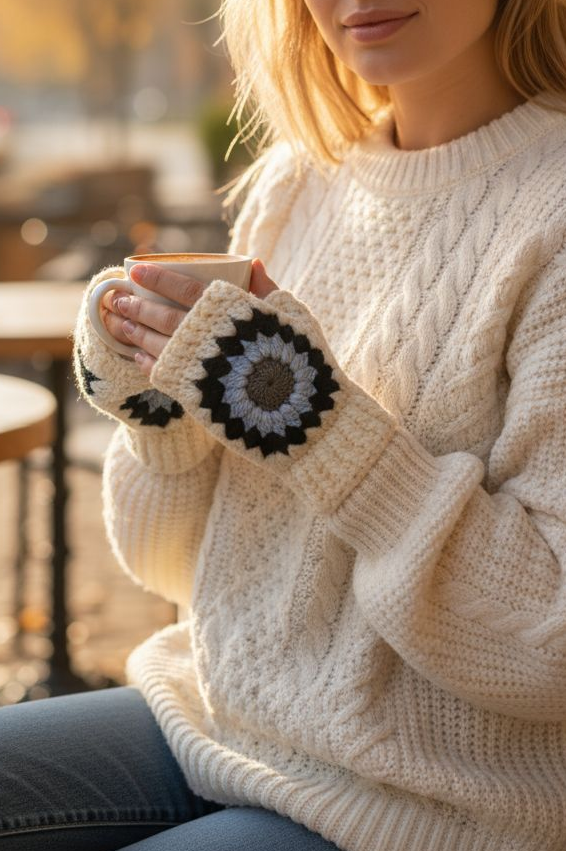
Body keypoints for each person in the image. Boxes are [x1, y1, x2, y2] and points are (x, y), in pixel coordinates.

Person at [2, 0, 566, 849]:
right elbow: (168, 563)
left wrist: (317, 423)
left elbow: (550, 647)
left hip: (428, 802)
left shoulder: (552, 214)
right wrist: (159, 410)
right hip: (215, 714)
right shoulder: (296, 182)